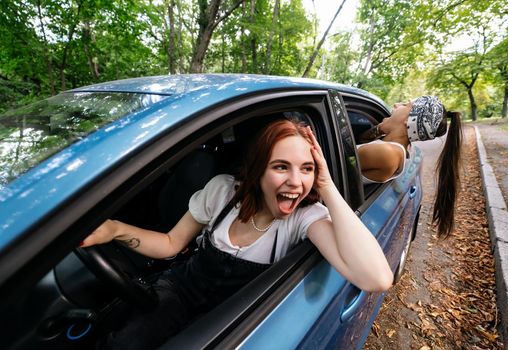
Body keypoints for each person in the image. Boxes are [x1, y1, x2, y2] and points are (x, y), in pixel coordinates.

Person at [82, 119, 393, 349]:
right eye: (281, 167)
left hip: (228, 322)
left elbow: (376, 278)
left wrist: (326, 185)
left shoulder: (304, 218)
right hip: (177, 293)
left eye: (307, 168)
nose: (296, 182)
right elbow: (170, 244)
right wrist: (115, 229)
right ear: (258, 170)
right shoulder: (221, 191)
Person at [356, 95, 462, 237]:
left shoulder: (388, 154)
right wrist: (382, 128)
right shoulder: (395, 148)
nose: (396, 104)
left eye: (405, 105)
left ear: (409, 119)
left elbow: (338, 157)